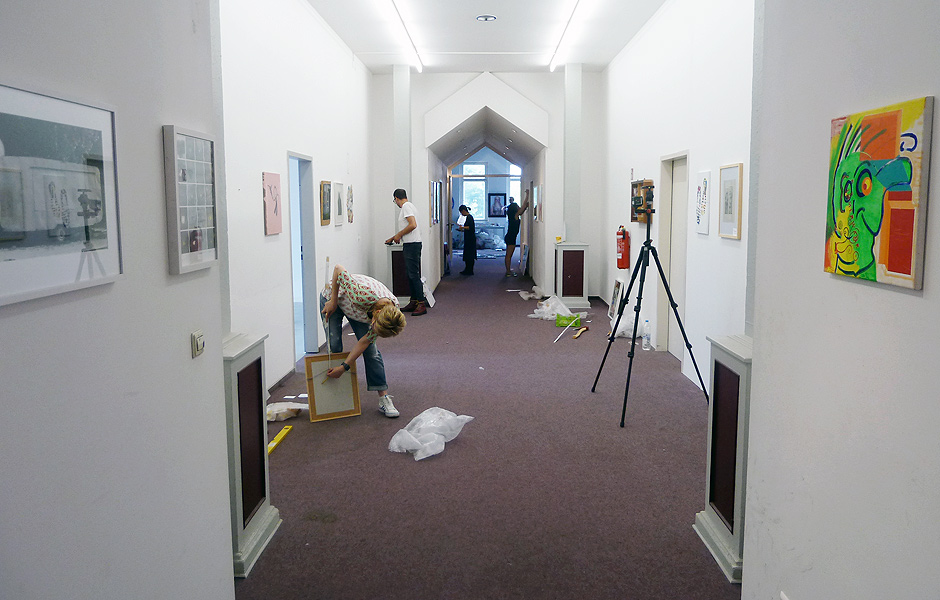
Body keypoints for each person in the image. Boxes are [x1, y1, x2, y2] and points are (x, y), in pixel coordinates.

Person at [321, 263, 407, 418]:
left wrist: (344, 366)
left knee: (371, 351)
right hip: (334, 298)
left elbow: (364, 342)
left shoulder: (391, 314)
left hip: (359, 310)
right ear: (377, 314)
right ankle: (336, 397)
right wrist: (333, 301)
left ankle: (384, 398)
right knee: (334, 346)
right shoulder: (362, 295)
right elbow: (338, 269)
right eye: (374, 327)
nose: (374, 330)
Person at [385, 188, 427, 316]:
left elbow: (412, 225)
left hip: (412, 245)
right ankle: (414, 301)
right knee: (410, 274)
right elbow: (409, 227)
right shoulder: (411, 206)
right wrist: (394, 237)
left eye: (395, 200)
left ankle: (421, 303)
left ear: (396, 198)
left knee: (413, 274)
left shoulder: (406, 207)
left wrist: (398, 235)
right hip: (411, 243)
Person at [504, 189, 530, 276]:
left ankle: (508, 270)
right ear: (515, 209)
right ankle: (508, 272)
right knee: (509, 255)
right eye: (517, 206)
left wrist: (526, 206)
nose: (519, 207)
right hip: (511, 237)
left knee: (509, 254)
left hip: (510, 236)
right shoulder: (515, 216)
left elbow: (522, 209)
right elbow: (522, 208)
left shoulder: (514, 216)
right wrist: (527, 195)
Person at [457, 204, 476, 275]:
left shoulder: (469, 217)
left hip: (470, 239)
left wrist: (462, 228)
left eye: (461, 212)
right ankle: (467, 269)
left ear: (464, 211)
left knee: (470, 254)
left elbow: (470, 227)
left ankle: (470, 270)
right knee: (467, 254)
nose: (462, 214)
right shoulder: (468, 217)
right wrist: (462, 230)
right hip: (468, 238)